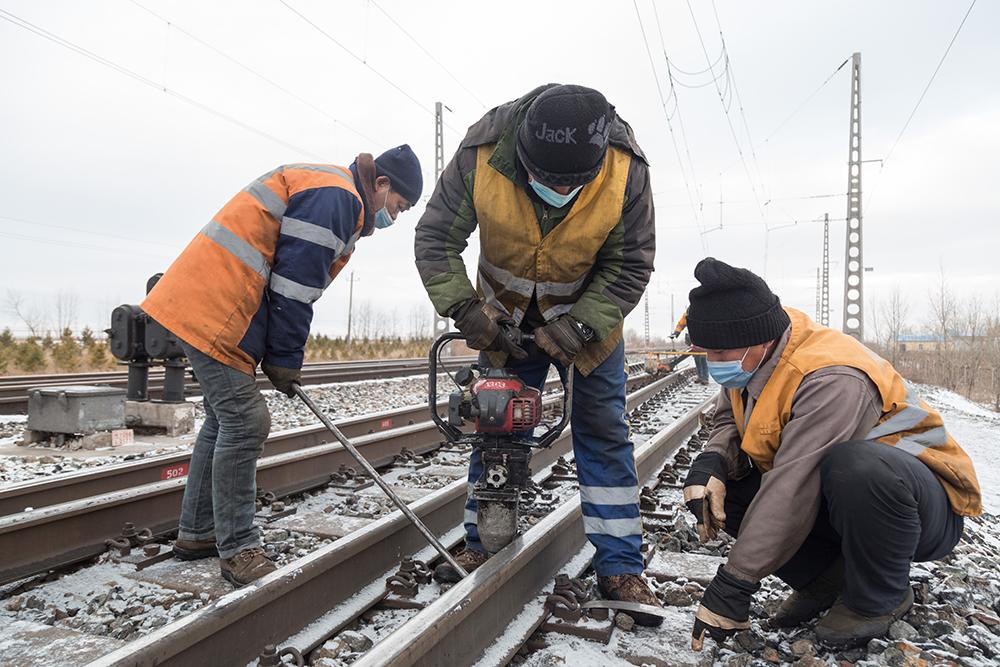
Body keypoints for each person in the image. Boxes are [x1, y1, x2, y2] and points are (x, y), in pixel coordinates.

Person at [414, 83, 661, 625]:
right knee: (497, 425)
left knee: (602, 432)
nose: (555, 190)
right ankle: (484, 539)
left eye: (568, 185)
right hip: (502, 322)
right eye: (544, 180)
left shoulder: (625, 169)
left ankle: (620, 565)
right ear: (522, 155)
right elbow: (436, 238)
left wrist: (579, 327)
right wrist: (468, 311)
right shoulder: (481, 152)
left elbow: (630, 264)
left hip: (588, 329)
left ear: (593, 168)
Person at [142, 146, 423, 587]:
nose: (395, 217)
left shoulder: (333, 190)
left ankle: (198, 533)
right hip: (216, 306)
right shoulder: (339, 196)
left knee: (223, 419)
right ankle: (239, 549)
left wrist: (278, 354)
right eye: (399, 206)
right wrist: (284, 358)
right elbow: (294, 286)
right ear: (382, 184)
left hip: (207, 301)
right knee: (246, 421)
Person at [681, 258, 981, 649]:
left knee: (854, 467)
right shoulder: (754, 353)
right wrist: (714, 461)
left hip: (919, 506)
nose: (716, 365)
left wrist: (734, 584)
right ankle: (827, 580)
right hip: (846, 502)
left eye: (722, 354)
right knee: (717, 490)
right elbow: (730, 420)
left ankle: (879, 597)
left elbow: (794, 484)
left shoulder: (831, 376)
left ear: (760, 339)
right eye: (708, 354)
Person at [670, 308, 709, 383]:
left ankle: (705, 378)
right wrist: (676, 332)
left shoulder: (704, 314)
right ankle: (700, 377)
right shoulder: (686, 315)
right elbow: (680, 325)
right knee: (697, 358)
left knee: (703, 358)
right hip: (692, 339)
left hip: (703, 339)